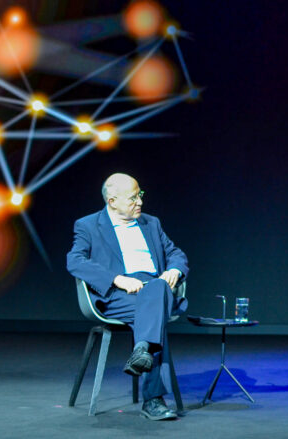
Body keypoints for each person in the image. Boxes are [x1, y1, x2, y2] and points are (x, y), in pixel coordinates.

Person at [67, 173, 189, 421]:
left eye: (140, 195)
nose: (140, 202)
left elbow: (175, 253)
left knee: (157, 291)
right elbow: (75, 261)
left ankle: (142, 349)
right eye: (133, 198)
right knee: (154, 313)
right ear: (112, 201)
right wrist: (116, 279)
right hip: (119, 294)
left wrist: (175, 270)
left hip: (155, 287)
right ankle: (153, 399)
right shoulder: (88, 225)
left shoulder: (151, 223)